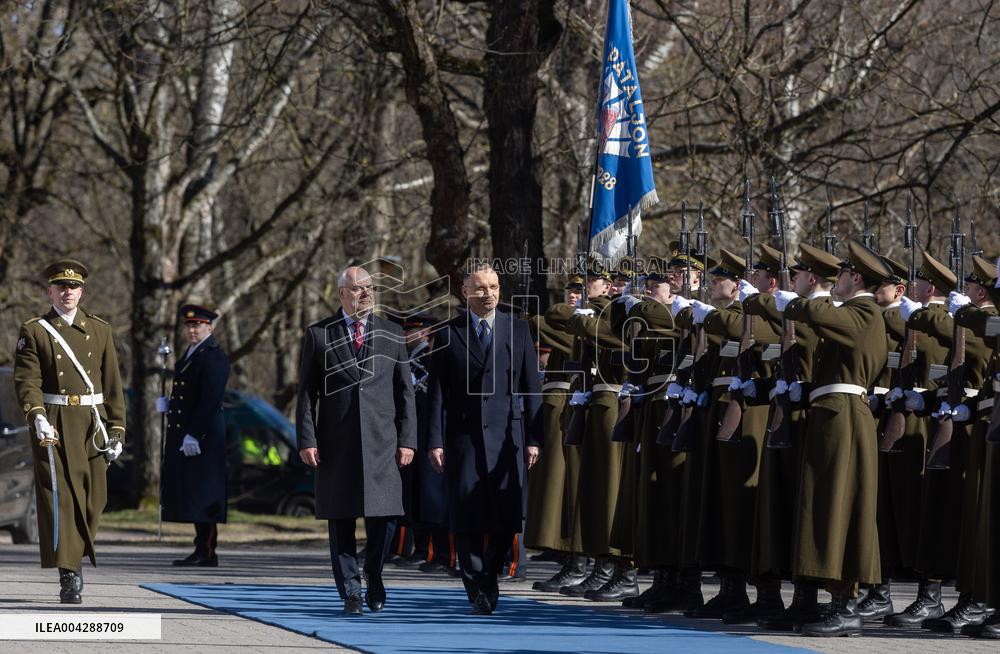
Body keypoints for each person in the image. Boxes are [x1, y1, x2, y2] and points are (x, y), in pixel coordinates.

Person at [295, 266, 417, 615]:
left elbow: (405, 392)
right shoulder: (319, 335)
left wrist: (408, 440)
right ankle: (350, 590)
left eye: (370, 288)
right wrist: (307, 438)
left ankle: (374, 574)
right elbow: (306, 393)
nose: (366, 293)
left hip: (383, 444)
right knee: (341, 518)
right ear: (341, 294)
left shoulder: (392, 334)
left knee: (385, 517)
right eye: (358, 288)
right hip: (337, 443)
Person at [427, 263, 542, 615]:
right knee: (466, 516)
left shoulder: (518, 329)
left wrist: (534, 438)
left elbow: (532, 388)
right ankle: (476, 579)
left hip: (509, 438)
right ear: (465, 292)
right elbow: (437, 393)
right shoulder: (448, 333)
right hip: (463, 438)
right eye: (480, 288)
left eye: (493, 287)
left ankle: (489, 575)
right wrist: (434, 439)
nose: (488, 293)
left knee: (507, 517)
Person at [13, 259, 126, 603]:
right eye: (61, 287)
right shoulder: (34, 330)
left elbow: (112, 385)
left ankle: (74, 558)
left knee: (95, 500)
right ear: (50, 291)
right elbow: (26, 380)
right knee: (60, 498)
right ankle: (69, 574)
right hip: (54, 423)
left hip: (91, 424)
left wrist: (117, 429)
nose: (68, 293)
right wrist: (36, 415)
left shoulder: (100, 329)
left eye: (74, 287)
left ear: (82, 291)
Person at [158, 304, 230, 567]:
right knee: (194, 494)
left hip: (204, 437)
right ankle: (201, 548)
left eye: (197, 325)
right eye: (189, 326)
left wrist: (194, 434)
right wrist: (168, 404)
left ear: (209, 327)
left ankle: (208, 550)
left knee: (205, 494)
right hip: (188, 433)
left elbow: (210, 399)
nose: (192, 330)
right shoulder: (191, 354)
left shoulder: (214, 356)